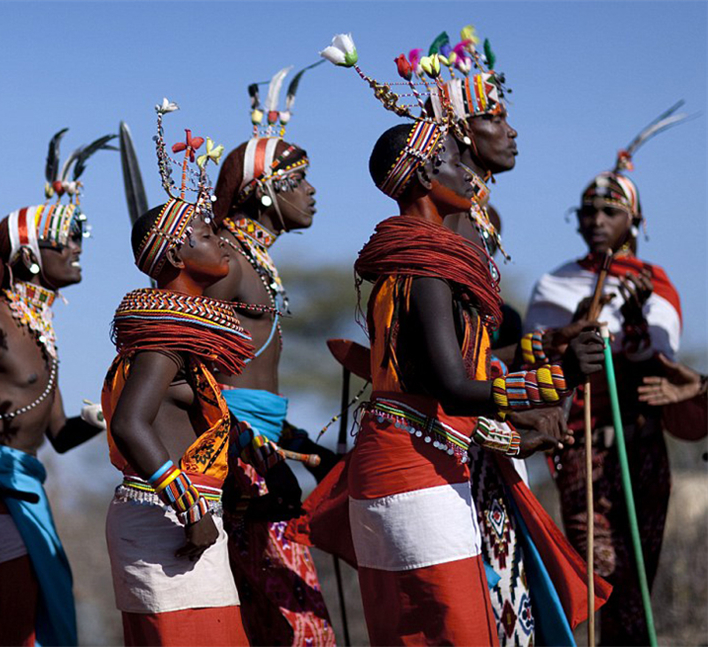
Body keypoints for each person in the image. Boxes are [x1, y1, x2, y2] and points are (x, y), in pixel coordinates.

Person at [319, 35, 605, 645]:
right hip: (417, 461)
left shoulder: (418, 253)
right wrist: (559, 379)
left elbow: (441, 369)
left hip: (421, 452)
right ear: (427, 170)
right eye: (455, 156)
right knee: (457, 628)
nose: (467, 170)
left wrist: (536, 370)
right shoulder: (427, 258)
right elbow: (450, 381)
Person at [0, 130, 111, 647]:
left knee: (26, 619)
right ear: (30, 256)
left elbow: (55, 434)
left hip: (27, 496)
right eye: (65, 240)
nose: (76, 249)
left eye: (78, 237)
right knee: (8, 618)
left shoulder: (39, 328)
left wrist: (100, 420)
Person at [524, 108, 690, 645]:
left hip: (640, 437)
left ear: (635, 222)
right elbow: (537, 360)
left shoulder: (654, 283)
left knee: (640, 562)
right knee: (595, 562)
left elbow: (660, 356)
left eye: (610, 211)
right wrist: (576, 334)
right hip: (582, 439)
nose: (596, 219)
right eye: (588, 211)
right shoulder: (556, 284)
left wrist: (636, 316)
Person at [102, 101, 256, 647]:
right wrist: (189, 504)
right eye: (207, 234)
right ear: (177, 252)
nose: (222, 242)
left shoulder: (181, 335)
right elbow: (129, 424)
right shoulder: (164, 334)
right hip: (164, 518)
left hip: (177, 519)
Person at [206, 65, 336, 646]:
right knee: (289, 619)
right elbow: (190, 365)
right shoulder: (227, 261)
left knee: (281, 615)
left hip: (262, 446)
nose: (311, 192)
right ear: (261, 191)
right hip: (232, 456)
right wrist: (242, 443)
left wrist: (305, 444)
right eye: (297, 180)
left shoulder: (256, 263)